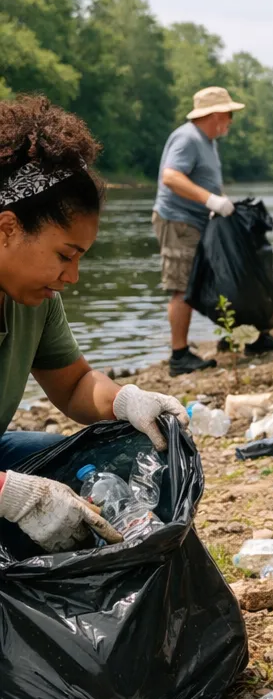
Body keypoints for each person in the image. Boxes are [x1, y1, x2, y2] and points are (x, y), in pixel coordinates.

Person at [0, 97, 190, 553]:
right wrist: (9, 492)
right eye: (65, 255)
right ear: (6, 229)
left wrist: (127, 401)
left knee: (63, 464)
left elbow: (74, 385)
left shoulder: (32, 299)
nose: (72, 277)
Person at [152, 86, 241, 376]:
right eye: (229, 115)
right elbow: (171, 177)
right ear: (215, 115)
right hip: (178, 221)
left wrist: (219, 201)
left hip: (197, 220)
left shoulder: (208, 141)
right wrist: (210, 200)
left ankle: (203, 344)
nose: (230, 121)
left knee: (198, 283)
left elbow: (205, 179)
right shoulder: (187, 138)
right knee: (181, 287)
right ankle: (178, 356)